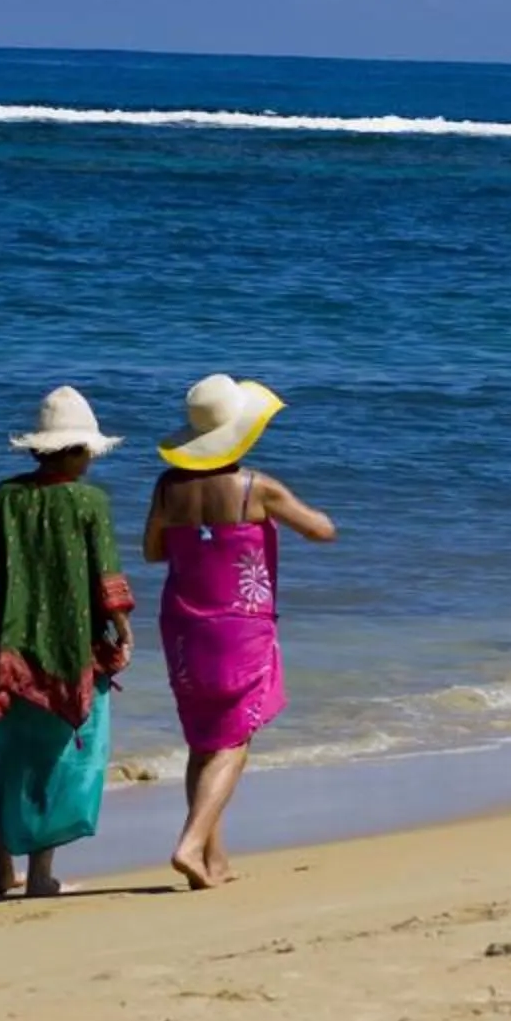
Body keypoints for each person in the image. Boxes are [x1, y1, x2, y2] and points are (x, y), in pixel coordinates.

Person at [144, 372, 335, 889]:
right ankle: (189, 844)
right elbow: (321, 530)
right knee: (235, 739)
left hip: (182, 622)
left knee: (203, 739)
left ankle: (214, 862)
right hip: (239, 626)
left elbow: (153, 551)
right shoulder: (257, 487)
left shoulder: (167, 488)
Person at [0, 386, 135, 898]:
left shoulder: (6, 497)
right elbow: (106, 577)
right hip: (70, 649)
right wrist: (123, 631)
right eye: (88, 451)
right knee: (60, 759)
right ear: (75, 451)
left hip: (9, 652)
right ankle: (38, 874)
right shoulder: (89, 501)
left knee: (9, 761)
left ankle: (0, 866)